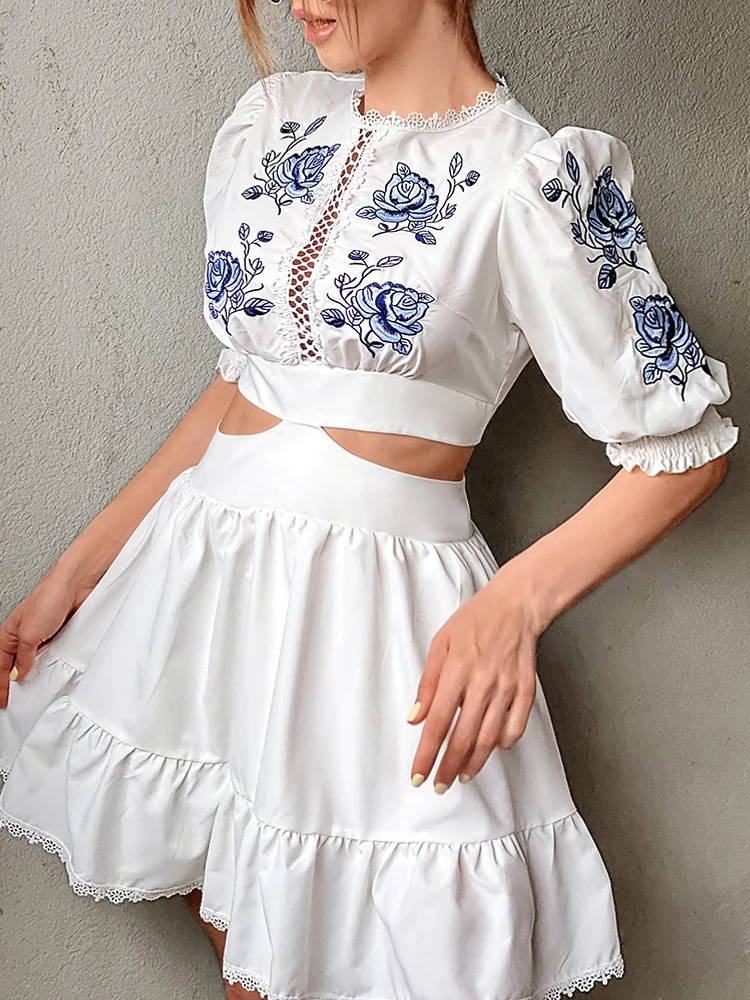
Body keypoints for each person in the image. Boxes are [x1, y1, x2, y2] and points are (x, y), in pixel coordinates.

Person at [0, 1, 740, 998]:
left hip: (364, 624)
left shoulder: (529, 176)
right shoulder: (276, 123)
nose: (296, 3)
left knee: (356, 947)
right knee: (245, 939)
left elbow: (684, 453)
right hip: (202, 596)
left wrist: (513, 605)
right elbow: (243, 383)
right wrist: (75, 572)